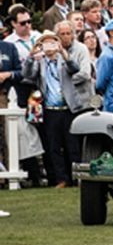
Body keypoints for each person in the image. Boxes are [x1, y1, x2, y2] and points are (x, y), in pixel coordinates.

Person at [21, 28, 92, 187]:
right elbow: (27, 74)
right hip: (50, 110)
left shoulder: (64, 59)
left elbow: (75, 69)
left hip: (67, 109)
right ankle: (61, 179)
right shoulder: (39, 62)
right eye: (45, 43)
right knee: (54, 147)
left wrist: (63, 53)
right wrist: (31, 55)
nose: (49, 46)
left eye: (52, 42)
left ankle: (77, 177)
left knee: (72, 145)